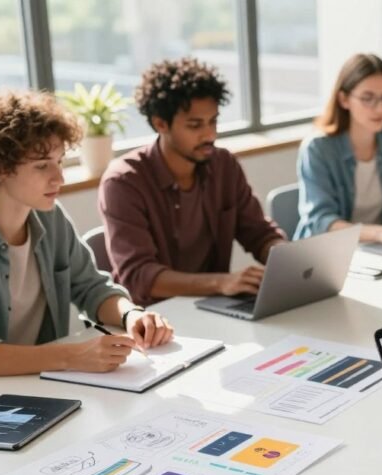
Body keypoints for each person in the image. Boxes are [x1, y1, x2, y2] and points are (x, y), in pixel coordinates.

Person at [0, 91, 174, 376]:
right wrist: (72, 356)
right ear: (0, 168)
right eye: (41, 165)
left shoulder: (50, 218)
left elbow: (92, 288)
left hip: (40, 383)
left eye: (60, 161)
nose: (59, 178)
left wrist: (131, 314)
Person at [98, 57, 286, 307]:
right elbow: (140, 276)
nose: (210, 134)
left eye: (213, 121)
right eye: (195, 125)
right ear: (160, 123)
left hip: (214, 308)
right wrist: (222, 282)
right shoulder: (123, 183)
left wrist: (286, 259)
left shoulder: (224, 166)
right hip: (154, 320)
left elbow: (259, 234)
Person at [295, 53, 382, 243]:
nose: (380, 108)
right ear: (344, 99)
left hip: (380, 254)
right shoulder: (318, 148)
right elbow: (321, 221)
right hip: (326, 257)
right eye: (368, 98)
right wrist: (380, 233)